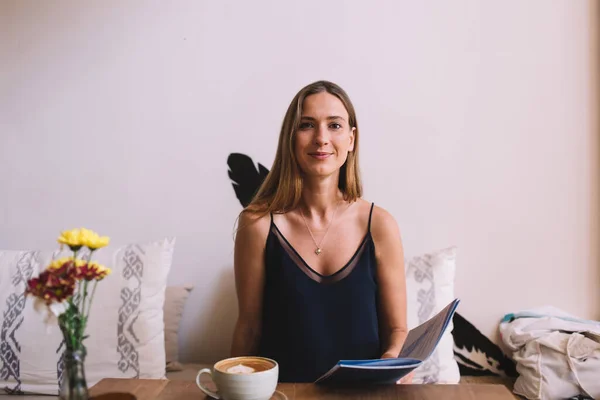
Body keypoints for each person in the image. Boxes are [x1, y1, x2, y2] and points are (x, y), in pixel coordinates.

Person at [230, 80, 411, 383]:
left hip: (363, 396)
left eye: (335, 125)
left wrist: (392, 360)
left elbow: (397, 330)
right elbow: (249, 328)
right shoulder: (257, 225)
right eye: (307, 125)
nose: (321, 138)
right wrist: (231, 385)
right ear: (291, 138)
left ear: (351, 139)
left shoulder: (380, 224)